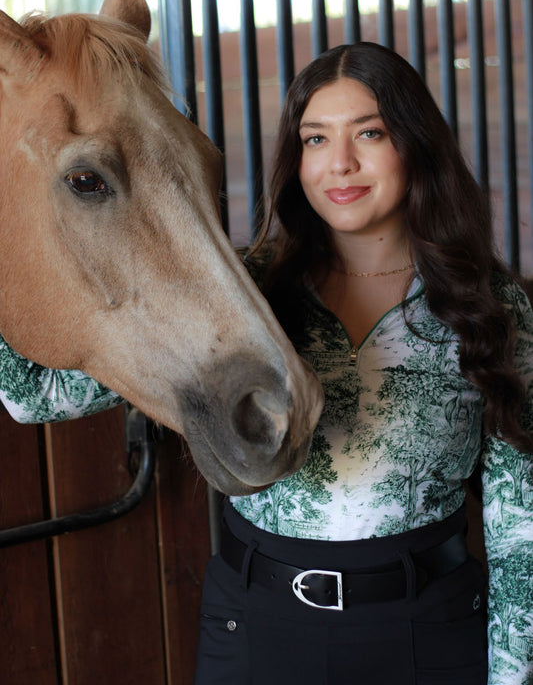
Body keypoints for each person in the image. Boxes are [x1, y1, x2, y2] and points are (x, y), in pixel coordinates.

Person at [1, 42, 532, 684]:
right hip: (256, 628)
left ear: (415, 144)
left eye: (370, 132)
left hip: (427, 631)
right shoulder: (247, 294)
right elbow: (34, 395)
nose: (340, 163)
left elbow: (519, 531)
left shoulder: (486, 306)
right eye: (315, 139)